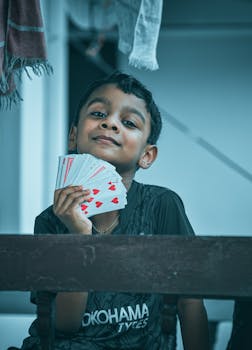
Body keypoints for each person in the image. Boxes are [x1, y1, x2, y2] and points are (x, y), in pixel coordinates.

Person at [20, 72, 209, 350]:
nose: (109, 123)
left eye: (129, 122)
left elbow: (190, 300)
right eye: (98, 113)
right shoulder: (49, 221)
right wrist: (79, 237)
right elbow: (64, 324)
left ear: (147, 155)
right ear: (73, 135)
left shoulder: (162, 206)